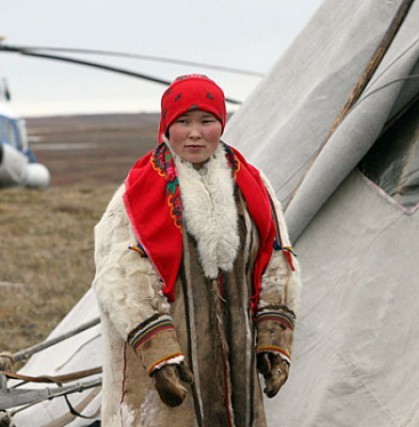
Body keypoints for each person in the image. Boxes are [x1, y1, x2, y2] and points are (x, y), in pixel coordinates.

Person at [92, 74, 301, 426]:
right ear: (166, 126)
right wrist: (160, 355)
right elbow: (122, 274)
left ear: (221, 123)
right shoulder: (139, 190)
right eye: (182, 122)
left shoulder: (251, 184)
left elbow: (277, 260)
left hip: (239, 360)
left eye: (206, 121)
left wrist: (273, 339)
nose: (194, 133)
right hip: (173, 361)